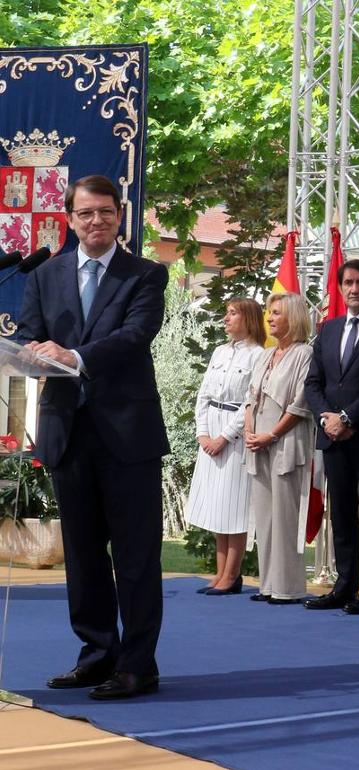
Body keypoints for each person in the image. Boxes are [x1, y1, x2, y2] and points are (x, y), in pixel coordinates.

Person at [18, 175, 169, 700]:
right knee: (82, 557)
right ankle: (96, 654)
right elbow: (31, 331)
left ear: (119, 215)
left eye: (105, 212)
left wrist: (75, 356)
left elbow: (134, 337)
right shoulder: (46, 274)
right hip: (67, 431)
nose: (96, 221)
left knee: (135, 557)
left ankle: (137, 664)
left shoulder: (146, 274)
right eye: (85, 214)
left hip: (127, 436)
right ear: (69, 218)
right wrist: (32, 351)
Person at [303, 259, 359, 617]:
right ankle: (343, 586)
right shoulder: (329, 329)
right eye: (348, 283)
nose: (353, 289)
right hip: (333, 438)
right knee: (341, 514)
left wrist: (348, 417)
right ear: (340, 288)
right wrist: (328, 419)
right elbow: (314, 383)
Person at [186, 298, 267, 595]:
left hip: (234, 435)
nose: (226, 318)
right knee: (218, 507)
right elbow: (204, 395)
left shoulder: (259, 355)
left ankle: (232, 574)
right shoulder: (220, 352)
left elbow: (250, 402)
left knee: (235, 507)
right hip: (212, 431)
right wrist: (204, 433)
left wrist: (224, 437)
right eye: (227, 313)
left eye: (233, 313)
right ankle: (220, 573)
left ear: (248, 318)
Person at [244, 292, 316, 605]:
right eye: (269, 313)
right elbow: (250, 396)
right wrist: (249, 429)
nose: (270, 318)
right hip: (258, 442)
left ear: (293, 317)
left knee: (286, 514)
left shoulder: (304, 354)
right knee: (265, 515)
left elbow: (301, 404)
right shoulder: (265, 355)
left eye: (276, 313)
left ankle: (288, 588)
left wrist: (271, 434)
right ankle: (268, 584)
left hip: (286, 440)